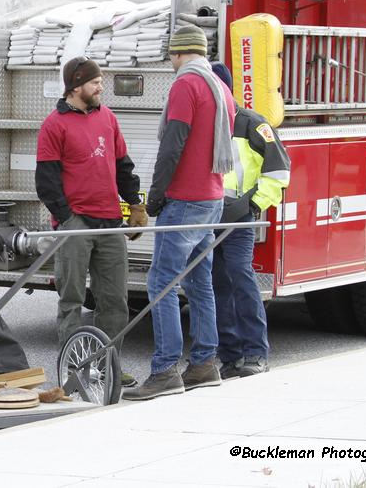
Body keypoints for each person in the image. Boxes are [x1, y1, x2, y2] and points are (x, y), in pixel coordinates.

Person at [123, 25, 236, 401]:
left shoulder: (186, 85)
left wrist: (154, 197)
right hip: (212, 197)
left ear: (177, 53)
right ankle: (204, 364)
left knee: (162, 282)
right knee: (199, 282)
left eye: (171, 55)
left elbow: (173, 144)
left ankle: (165, 369)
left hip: (185, 200)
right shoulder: (221, 87)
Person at [36, 56, 147, 386]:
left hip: (110, 222)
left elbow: (123, 165)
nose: (101, 86)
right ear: (75, 85)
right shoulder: (55, 124)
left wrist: (135, 204)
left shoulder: (107, 117)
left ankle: (108, 363)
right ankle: (74, 368)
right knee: (71, 299)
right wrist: (68, 218)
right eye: (95, 82)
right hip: (77, 223)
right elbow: (46, 180)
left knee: (114, 301)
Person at [210, 62, 290, 379]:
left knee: (240, 278)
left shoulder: (253, 125)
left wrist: (252, 205)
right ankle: (229, 357)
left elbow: (279, 172)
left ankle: (256, 353)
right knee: (217, 285)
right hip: (207, 217)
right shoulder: (205, 123)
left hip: (239, 219)